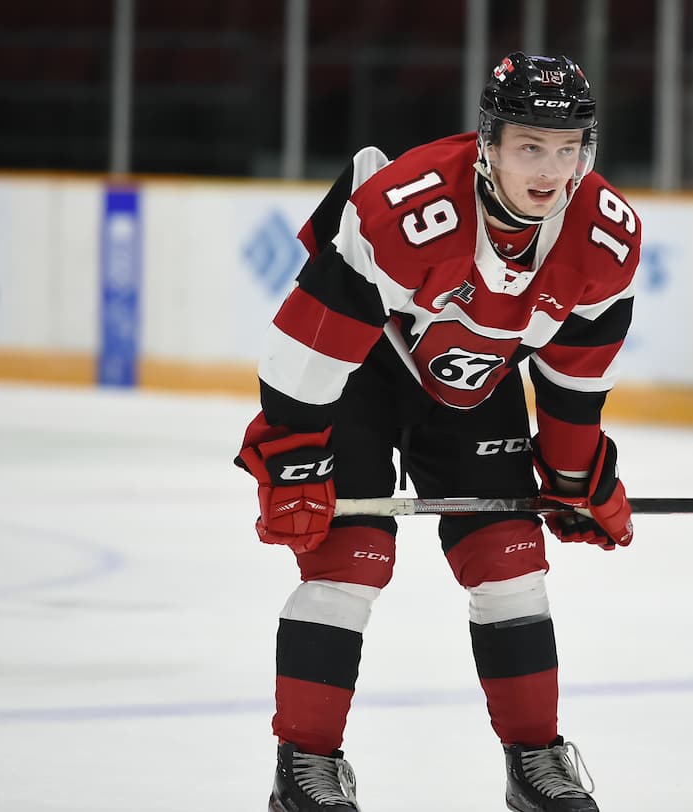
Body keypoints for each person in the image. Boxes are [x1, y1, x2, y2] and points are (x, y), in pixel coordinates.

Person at [236, 51, 640, 812]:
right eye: (530, 146)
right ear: (488, 144)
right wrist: (293, 460)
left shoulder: (603, 233)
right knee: (348, 560)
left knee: (510, 560)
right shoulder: (409, 208)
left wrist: (575, 476)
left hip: (474, 378)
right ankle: (305, 767)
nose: (551, 170)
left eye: (567, 148)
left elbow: (574, 379)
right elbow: (307, 346)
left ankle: (536, 762)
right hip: (359, 373)